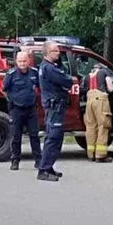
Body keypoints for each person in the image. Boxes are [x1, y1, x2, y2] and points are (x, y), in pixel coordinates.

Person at [37, 42, 74, 182]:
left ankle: (49, 166)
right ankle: (44, 169)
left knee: (55, 138)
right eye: (55, 51)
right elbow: (67, 81)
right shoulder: (50, 68)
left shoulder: (46, 67)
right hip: (55, 107)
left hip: (54, 107)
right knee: (53, 138)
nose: (58, 53)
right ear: (47, 52)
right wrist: (68, 79)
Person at [1, 51, 42, 171]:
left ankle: (38, 160)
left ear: (28, 61)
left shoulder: (34, 73)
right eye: (20, 61)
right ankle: (15, 160)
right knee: (16, 136)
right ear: (16, 62)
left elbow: (40, 87)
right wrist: (10, 100)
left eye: (24, 61)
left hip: (31, 109)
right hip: (16, 109)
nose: (22, 63)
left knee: (34, 135)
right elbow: (3, 89)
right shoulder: (11, 74)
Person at [84, 63, 113, 163]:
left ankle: (91, 154)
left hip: (89, 101)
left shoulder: (87, 76)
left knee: (90, 127)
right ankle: (100, 155)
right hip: (101, 100)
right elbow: (110, 89)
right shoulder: (104, 73)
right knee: (103, 126)